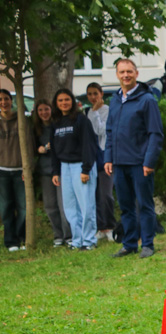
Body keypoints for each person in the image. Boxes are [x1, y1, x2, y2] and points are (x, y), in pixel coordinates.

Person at [105, 59, 164, 259]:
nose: (126, 75)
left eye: (129, 71)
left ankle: (147, 243)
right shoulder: (114, 100)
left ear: (136, 74)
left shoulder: (146, 100)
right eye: (122, 72)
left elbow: (155, 134)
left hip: (140, 163)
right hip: (119, 163)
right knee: (126, 206)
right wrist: (108, 158)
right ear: (117, 75)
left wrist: (149, 161)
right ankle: (129, 244)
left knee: (145, 205)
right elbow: (110, 132)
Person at [50, 88, 98, 251]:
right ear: (56, 104)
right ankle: (77, 240)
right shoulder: (55, 123)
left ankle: (89, 240)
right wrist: (55, 171)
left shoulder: (81, 120)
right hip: (65, 167)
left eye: (67, 99)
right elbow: (55, 151)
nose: (64, 103)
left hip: (81, 166)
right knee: (70, 207)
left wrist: (86, 169)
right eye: (60, 100)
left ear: (72, 101)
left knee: (86, 205)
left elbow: (88, 145)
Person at [32, 99, 71, 247]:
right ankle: (58, 236)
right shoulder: (36, 129)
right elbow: (31, 146)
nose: (44, 113)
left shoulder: (59, 124)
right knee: (50, 206)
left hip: (60, 170)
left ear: (51, 110)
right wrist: (39, 149)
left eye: (46, 109)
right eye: (40, 110)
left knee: (63, 205)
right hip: (44, 171)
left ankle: (68, 236)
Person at [85, 83, 116, 240]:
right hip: (92, 157)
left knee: (106, 194)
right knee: (95, 195)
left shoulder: (108, 110)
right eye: (90, 94)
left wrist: (95, 112)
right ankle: (101, 227)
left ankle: (110, 226)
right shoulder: (87, 111)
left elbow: (100, 130)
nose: (93, 97)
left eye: (95, 93)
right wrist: (92, 111)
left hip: (105, 156)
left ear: (101, 94)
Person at [0, 89, 26, 251]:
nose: (3, 102)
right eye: (0, 100)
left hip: (20, 170)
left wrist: (27, 168)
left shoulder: (22, 120)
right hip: (2, 171)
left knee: (23, 207)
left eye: (6, 99)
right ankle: (11, 242)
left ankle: (22, 237)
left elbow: (29, 144)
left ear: (12, 100)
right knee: (6, 207)